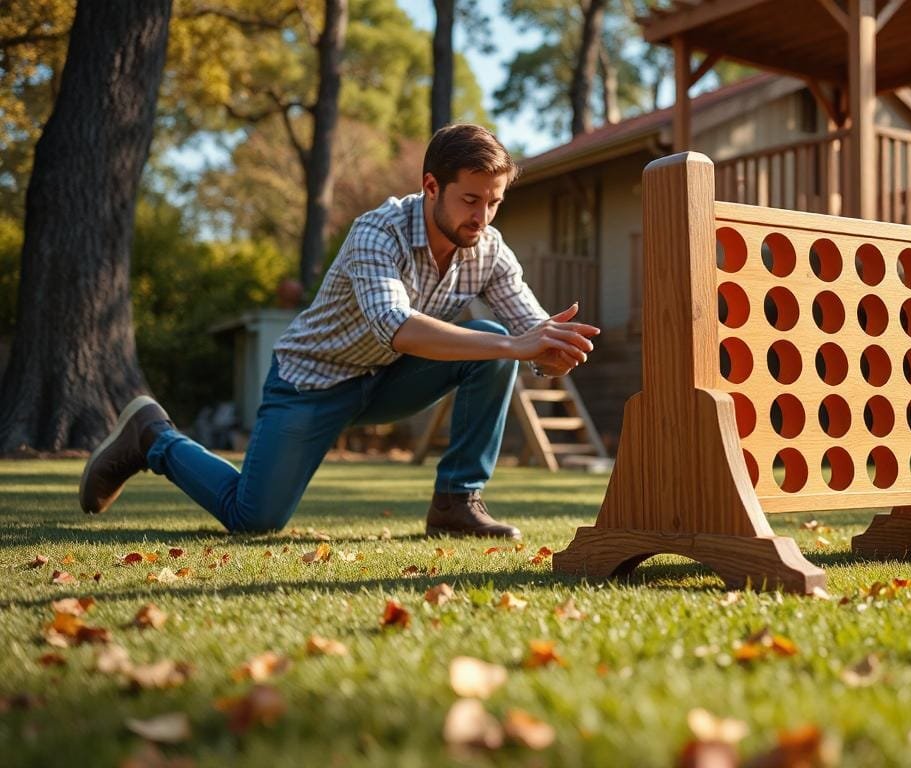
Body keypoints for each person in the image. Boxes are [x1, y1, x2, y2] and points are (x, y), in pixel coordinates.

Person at [79, 124, 600, 540]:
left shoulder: (489, 248)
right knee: (253, 520)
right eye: (470, 200)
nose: (482, 217)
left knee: (491, 340)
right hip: (312, 384)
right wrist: (516, 345)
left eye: (494, 202)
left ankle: (456, 503)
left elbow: (531, 326)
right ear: (431, 186)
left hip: (388, 383)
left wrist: (549, 351)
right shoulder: (378, 231)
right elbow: (395, 326)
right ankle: (152, 437)